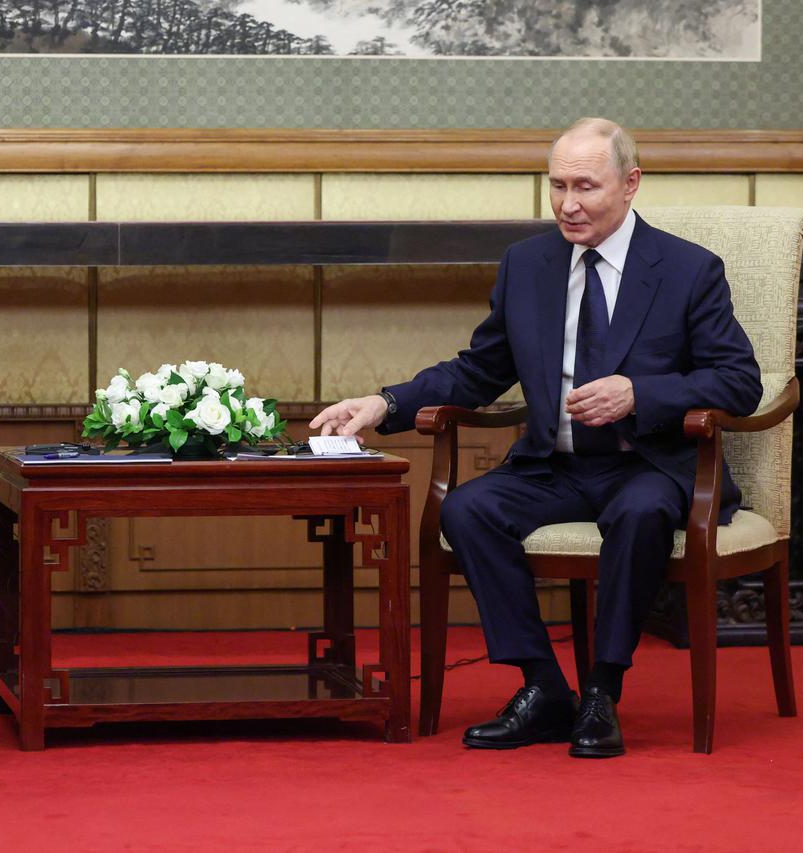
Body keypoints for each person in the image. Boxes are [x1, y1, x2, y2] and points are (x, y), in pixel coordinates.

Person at [309, 117, 761, 758]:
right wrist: (386, 403)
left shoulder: (687, 270)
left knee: (639, 513)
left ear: (631, 183)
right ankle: (544, 686)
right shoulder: (528, 264)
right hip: (554, 466)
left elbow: (739, 382)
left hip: (647, 465)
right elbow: (480, 370)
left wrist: (640, 392)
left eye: (586, 187)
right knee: (468, 509)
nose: (568, 204)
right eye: (557, 186)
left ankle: (602, 691)